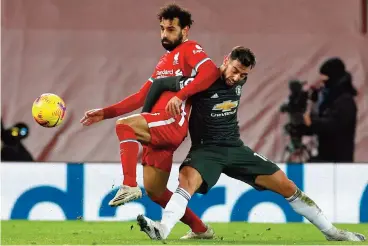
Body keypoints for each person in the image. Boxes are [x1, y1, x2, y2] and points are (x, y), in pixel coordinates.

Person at [136, 46, 366, 242]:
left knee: (287, 186)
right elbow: (159, 84)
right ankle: (162, 229)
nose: (237, 78)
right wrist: (146, 118)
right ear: (225, 61)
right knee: (186, 181)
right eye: (235, 70)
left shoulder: (239, 81)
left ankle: (332, 233)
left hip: (235, 148)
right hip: (206, 150)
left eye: (243, 75)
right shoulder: (203, 79)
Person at [80, 3, 218, 239]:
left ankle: (129, 185)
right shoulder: (165, 61)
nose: (165, 34)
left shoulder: (190, 49)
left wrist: (181, 95)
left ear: (185, 30)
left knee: (125, 126)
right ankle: (201, 230)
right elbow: (141, 96)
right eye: (162, 29)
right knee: (155, 191)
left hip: (170, 122)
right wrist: (105, 112)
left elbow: (211, 73)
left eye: (171, 29)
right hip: (157, 127)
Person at [302, 57, 357, 162]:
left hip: (337, 160)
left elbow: (333, 124)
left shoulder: (345, 101)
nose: (322, 83)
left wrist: (312, 121)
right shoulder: (331, 95)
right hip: (325, 154)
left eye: (325, 79)